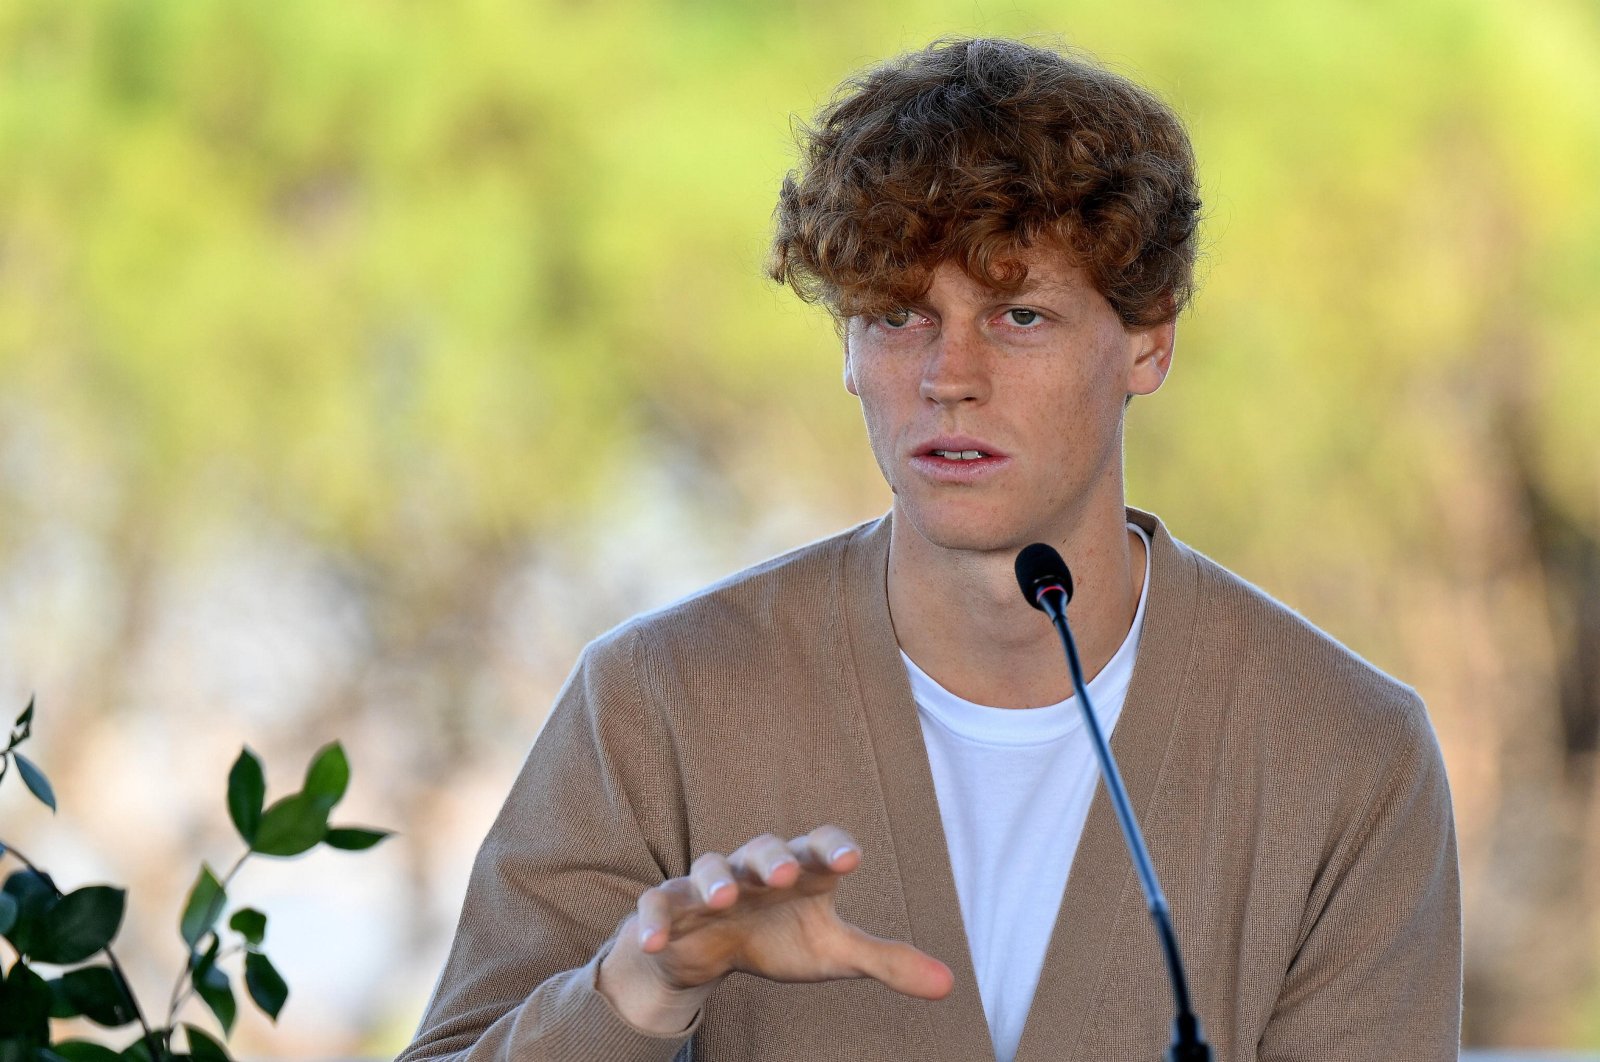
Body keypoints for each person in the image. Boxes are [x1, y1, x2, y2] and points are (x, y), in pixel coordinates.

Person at [398, 37, 1461, 1062]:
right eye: (898, 316)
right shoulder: (659, 700)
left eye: (1019, 316)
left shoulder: (1347, 756)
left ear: (1148, 340)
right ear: (847, 353)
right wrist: (640, 991)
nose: (949, 375)